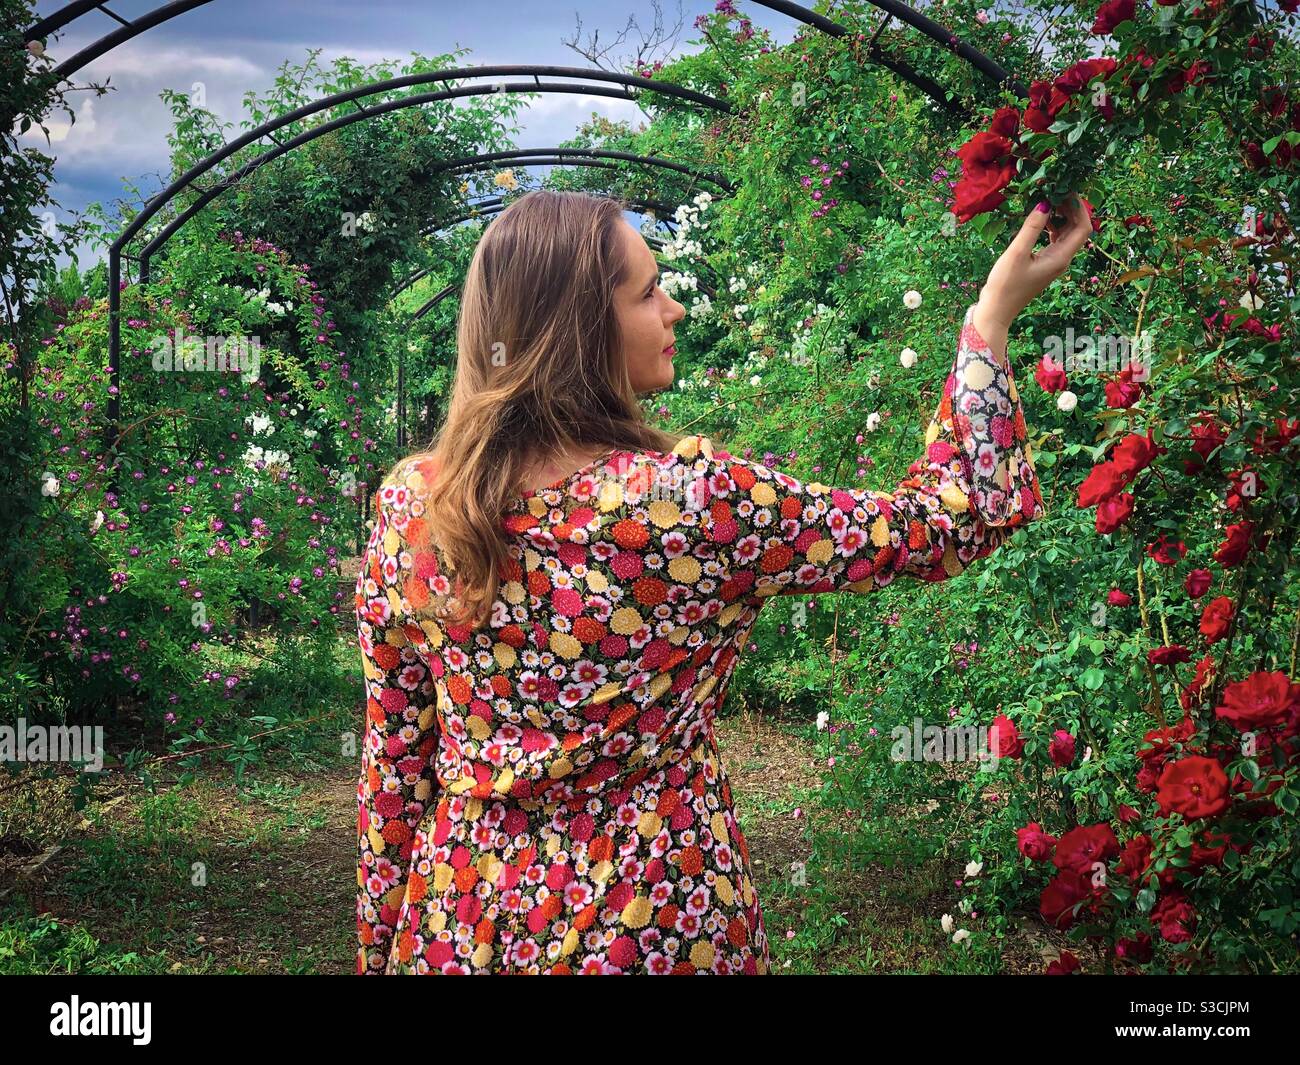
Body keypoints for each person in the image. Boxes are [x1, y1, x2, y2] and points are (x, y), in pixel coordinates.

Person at [354, 188, 1094, 974]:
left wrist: (377, 947)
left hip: (464, 919)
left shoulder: (414, 507)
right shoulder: (692, 504)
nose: (672, 309)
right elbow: (952, 519)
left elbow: (395, 769)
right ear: (579, 331)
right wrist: (991, 320)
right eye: (646, 292)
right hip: (654, 914)